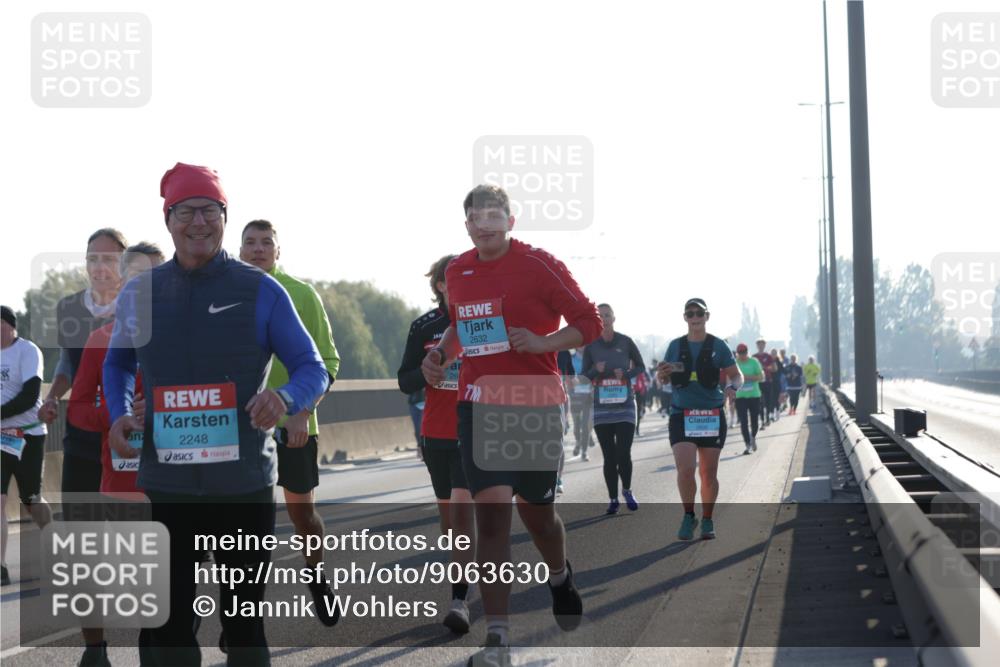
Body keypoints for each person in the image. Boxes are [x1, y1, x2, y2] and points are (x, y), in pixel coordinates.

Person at [104, 163, 329, 666]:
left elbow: (312, 367)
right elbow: (118, 362)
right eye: (186, 211)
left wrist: (286, 399)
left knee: (244, 624)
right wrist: (120, 414)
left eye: (210, 210)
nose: (198, 222)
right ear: (169, 220)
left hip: (243, 484)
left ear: (225, 217)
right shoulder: (140, 292)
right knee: (168, 625)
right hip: (169, 484)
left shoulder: (261, 289)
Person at [420, 184, 601, 666]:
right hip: (479, 406)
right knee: (493, 516)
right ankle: (497, 639)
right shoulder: (458, 270)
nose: (486, 224)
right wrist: (440, 355)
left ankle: (559, 574)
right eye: (477, 218)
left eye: (495, 215)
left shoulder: (539, 264)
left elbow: (588, 323)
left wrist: (545, 344)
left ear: (510, 220)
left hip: (536, 405)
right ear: (468, 226)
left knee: (537, 516)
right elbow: (461, 326)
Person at [240, 219, 342, 627]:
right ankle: (245, 615)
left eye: (267, 243)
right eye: (250, 243)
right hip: (244, 430)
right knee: (251, 526)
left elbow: (328, 362)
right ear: (240, 251)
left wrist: (302, 411)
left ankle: (316, 575)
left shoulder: (300, 294)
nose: (259, 249)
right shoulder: (229, 295)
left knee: (303, 517)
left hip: (294, 425)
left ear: (278, 251)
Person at [397, 253, 476, 635]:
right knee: (449, 522)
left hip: (474, 431)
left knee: (462, 513)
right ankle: (465, 570)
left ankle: (459, 599)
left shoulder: (480, 322)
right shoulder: (423, 326)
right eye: (452, 278)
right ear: (441, 286)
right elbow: (404, 380)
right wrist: (427, 371)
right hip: (435, 434)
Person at [67, 243, 165, 499]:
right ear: (123, 283)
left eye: (156, 277)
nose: (148, 286)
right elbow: (77, 409)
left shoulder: (188, 336)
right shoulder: (100, 340)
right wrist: (119, 413)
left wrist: (162, 407)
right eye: (138, 277)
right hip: (124, 484)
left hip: (180, 483)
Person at [656, 298, 741, 541]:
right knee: (685, 469)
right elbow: (663, 380)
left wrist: (734, 388)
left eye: (699, 313)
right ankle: (688, 515)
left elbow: (737, 376)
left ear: (707, 316)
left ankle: (707, 519)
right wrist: (662, 375)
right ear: (685, 317)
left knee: (708, 473)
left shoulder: (719, 346)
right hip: (681, 414)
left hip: (711, 414)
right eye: (690, 313)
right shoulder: (675, 346)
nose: (695, 317)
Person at [1, 306, 53, 588]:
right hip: (0, 438)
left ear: (9, 326)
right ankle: (0, 567)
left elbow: (30, 395)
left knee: (31, 499)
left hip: (29, 434)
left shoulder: (28, 351)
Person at [582, 304, 645, 515]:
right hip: (601, 408)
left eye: (607, 315)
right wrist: (594, 370)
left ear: (614, 318)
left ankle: (627, 490)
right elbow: (583, 377)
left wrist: (626, 374)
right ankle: (613, 499)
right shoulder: (591, 346)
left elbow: (641, 367)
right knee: (609, 456)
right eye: (600, 316)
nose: (604, 319)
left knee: (623, 453)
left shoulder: (625, 341)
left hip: (625, 406)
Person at [732, 343, 764, 454]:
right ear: (737, 353)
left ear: (747, 352)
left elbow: (761, 377)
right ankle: (748, 444)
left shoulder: (754, 362)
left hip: (754, 395)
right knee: (743, 422)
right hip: (740, 397)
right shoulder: (735, 363)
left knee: (755, 421)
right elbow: (730, 378)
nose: (742, 355)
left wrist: (746, 377)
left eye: (744, 353)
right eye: (740, 353)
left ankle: (753, 436)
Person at [566, 349, 593, 460]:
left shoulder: (591, 359)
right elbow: (566, 375)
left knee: (586, 424)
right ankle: (578, 441)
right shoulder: (570, 358)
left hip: (588, 396)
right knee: (577, 424)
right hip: (575, 395)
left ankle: (584, 452)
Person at [752, 339, 775, 427]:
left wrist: (766, 368)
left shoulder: (768, 356)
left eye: (762, 344)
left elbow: (774, 368)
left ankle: (768, 417)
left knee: (768, 400)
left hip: (767, 381)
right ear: (757, 346)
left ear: (764, 345)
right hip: (758, 382)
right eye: (759, 344)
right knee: (760, 401)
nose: (761, 346)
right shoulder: (754, 357)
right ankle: (762, 420)